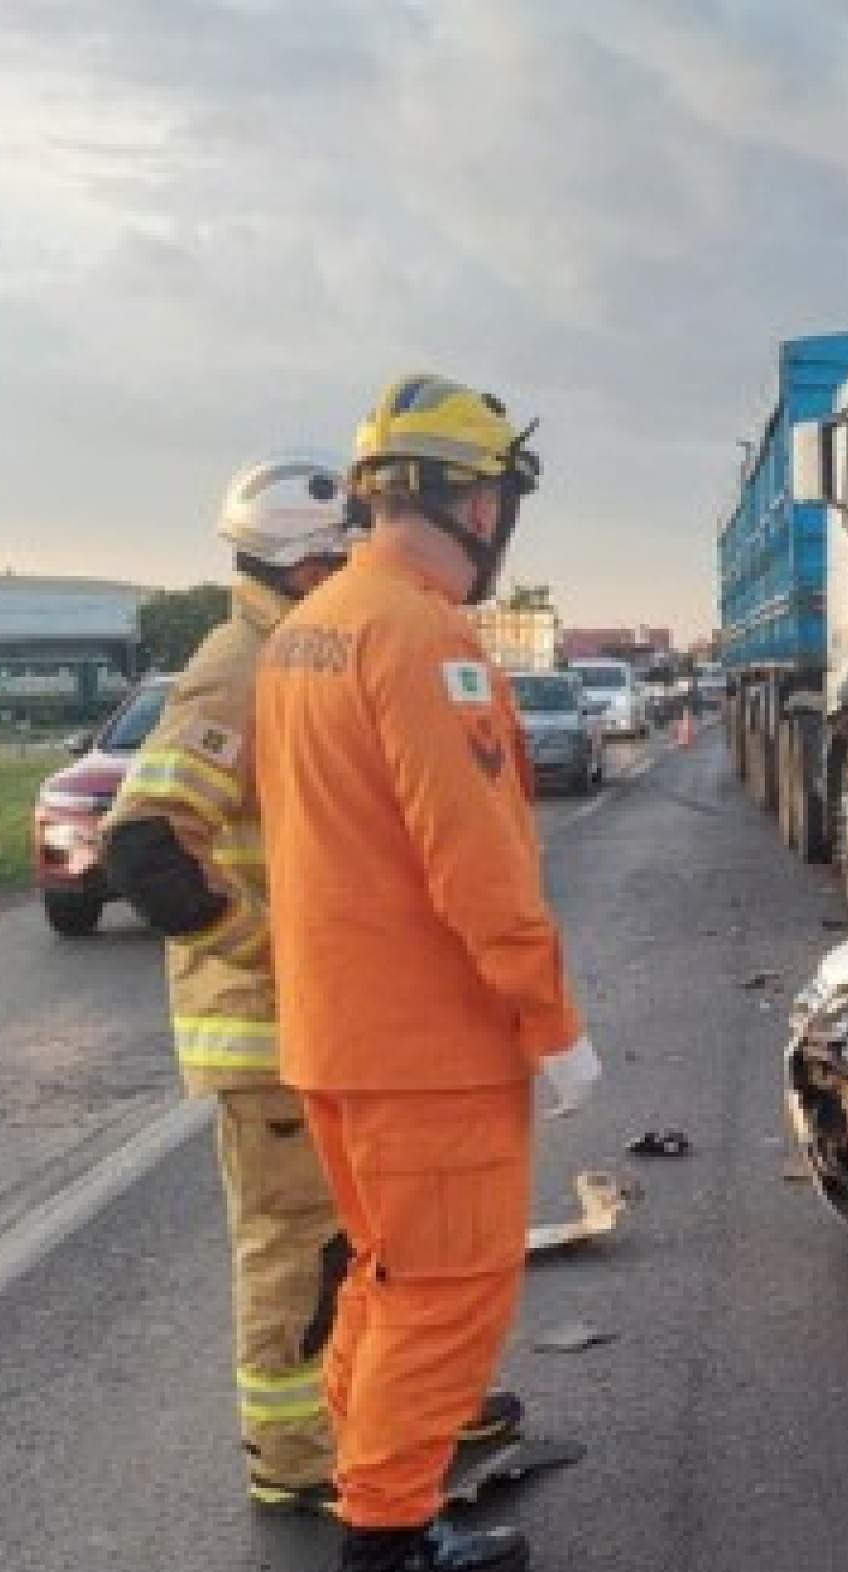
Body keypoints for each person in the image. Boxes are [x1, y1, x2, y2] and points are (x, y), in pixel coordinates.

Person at [104, 455, 524, 1516]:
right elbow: (148, 846)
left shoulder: (301, 646)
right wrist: (280, 950)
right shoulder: (240, 666)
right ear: (303, 563)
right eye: (345, 557)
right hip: (270, 1027)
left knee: (375, 1238)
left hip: (332, 1029)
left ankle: (397, 1412)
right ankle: (293, 1454)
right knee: (297, 1250)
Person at [258, 374, 597, 1572]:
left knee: (387, 1287)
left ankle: (384, 1524)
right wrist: (549, 1017)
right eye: (496, 492)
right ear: (470, 494)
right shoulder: (424, 638)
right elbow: (476, 862)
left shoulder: (317, 625)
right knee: (444, 1302)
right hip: (429, 1044)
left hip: (344, 1033)